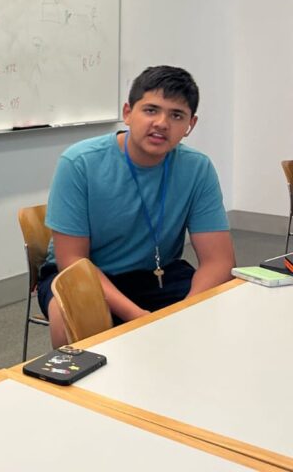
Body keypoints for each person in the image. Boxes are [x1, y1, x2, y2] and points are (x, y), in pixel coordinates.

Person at [37, 66, 235, 347]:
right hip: (84, 275)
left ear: (190, 125)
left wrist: (186, 312)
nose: (162, 123)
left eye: (176, 115)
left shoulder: (197, 168)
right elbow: (73, 261)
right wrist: (140, 318)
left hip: (158, 273)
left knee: (222, 311)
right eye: (151, 110)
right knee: (71, 321)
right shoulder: (80, 162)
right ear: (128, 113)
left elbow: (219, 261)